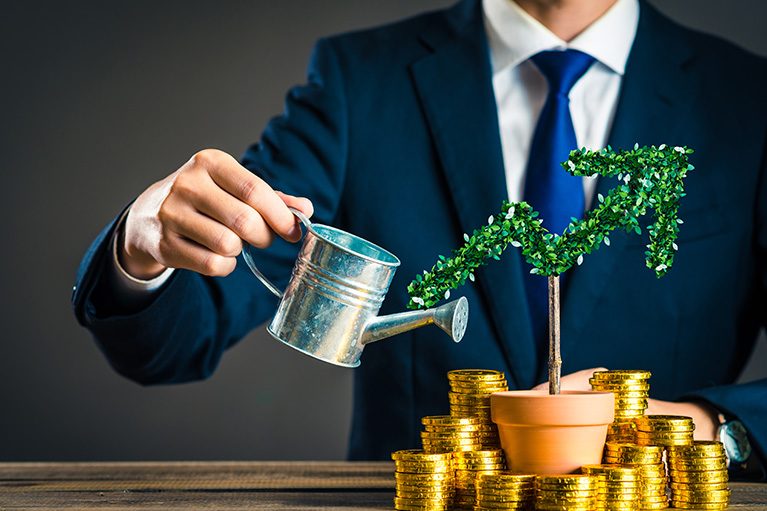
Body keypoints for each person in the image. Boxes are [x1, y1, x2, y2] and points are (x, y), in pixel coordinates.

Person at [72, 0, 766, 474]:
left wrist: (702, 424)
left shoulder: (747, 100)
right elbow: (179, 337)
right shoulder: (360, 82)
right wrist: (143, 248)